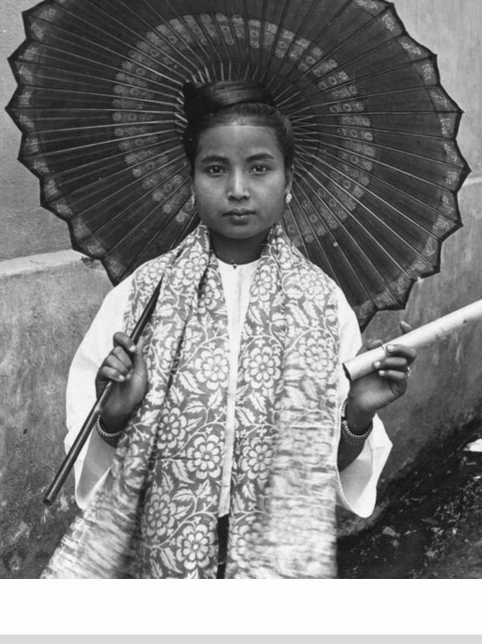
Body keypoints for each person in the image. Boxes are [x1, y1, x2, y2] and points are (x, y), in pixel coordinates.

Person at [42, 80, 416, 579]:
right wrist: (113, 417)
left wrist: (357, 414)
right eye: (215, 168)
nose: (237, 189)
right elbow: (92, 454)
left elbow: (330, 478)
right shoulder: (141, 297)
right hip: (158, 561)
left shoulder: (322, 304)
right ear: (192, 179)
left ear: (289, 181)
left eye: (259, 168)